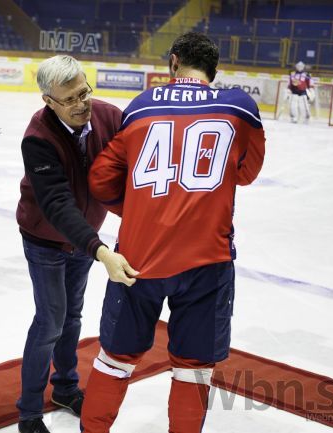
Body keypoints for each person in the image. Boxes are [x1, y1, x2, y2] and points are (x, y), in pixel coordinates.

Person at [81, 32, 265, 433]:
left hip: (137, 259)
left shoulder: (143, 104)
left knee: (115, 360)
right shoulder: (240, 107)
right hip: (207, 262)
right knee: (194, 371)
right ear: (213, 70)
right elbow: (247, 174)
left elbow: (100, 180)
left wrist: (142, 212)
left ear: (174, 61)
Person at [15, 54, 137, 433]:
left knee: (71, 317)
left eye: (84, 92)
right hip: (46, 239)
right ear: (48, 102)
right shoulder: (38, 138)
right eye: (69, 100)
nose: (82, 104)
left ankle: (65, 388)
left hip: (84, 242)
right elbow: (57, 206)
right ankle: (29, 412)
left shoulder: (108, 116)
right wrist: (100, 250)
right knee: (50, 319)